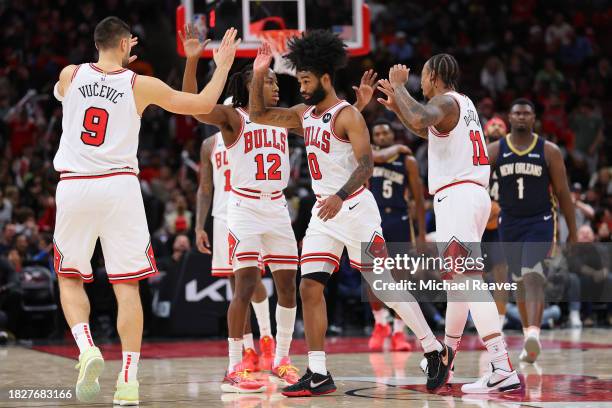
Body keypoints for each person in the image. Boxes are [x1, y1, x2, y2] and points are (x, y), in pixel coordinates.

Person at [52, 16, 239, 404]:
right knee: (127, 286)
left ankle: (87, 348)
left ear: (97, 42)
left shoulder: (70, 74)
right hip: (120, 187)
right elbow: (202, 105)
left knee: (70, 278)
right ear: (126, 45)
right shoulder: (141, 84)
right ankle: (128, 381)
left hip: (74, 186)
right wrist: (219, 66)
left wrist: (110, 61)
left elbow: (64, 94)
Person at [250, 32, 446, 397]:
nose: (302, 87)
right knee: (309, 286)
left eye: (306, 81)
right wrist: (261, 71)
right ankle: (319, 371)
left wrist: (340, 196)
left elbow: (366, 164)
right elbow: (258, 115)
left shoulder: (349, 115)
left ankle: (433, 348)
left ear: (325, 78)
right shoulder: (302, 115)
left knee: (383, 286)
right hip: (324, 213)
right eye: (300, 81)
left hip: (355, 208)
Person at [377, 55, 520, 393]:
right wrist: (399, 108)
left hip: (458, 197)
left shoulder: (443, 101)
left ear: (435, 76)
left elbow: (421, 114)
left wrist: (399, 88)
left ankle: (501, 366)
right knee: (458, 283)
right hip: (468, 197)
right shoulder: (462, 104)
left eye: (422, 77)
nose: (420, 83)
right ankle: (447, 359)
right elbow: (424, 125)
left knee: (469, 281)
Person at [178, 24, 300, 393]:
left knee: (287, 288)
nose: (276, 87)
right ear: (249, 87)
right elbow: (192, 105)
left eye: (278, 82)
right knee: (245, 285)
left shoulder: (284, 117)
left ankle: (280, 359)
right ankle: (234, 366)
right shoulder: (233, 119)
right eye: (269, 82)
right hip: (243, 207)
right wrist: (194, 60)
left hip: (278, 207)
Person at [488, 98, 577, 364]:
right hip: (509, 222)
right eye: (517, 113)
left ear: (534, 118)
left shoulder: (549, 151)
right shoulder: (495, 150)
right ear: (510, 117)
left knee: (532, 274)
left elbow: (563, 193)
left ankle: (534, 335)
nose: (522, 117)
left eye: (527, 113)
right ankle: (529, 338)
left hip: (540, 221)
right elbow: (476, 184)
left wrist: (572, 231)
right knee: (518, 282)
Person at [367, 119, 425, 351]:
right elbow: (376, 158)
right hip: (373, 220)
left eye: (385, 132)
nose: (381, 136)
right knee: (373, 276)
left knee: (402, 277)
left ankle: (400, 331)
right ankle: (380, 323)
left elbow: (419, 199)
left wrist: (420, 233)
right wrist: (399, 147)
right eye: (377, 133)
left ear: (393, 135)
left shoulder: (407, 161)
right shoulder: (367, 155)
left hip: (400, 220)